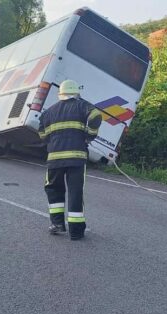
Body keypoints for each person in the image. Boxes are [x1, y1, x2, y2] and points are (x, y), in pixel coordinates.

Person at [37, 80, 102, 240]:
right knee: (75, 192)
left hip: (55, 159)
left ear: (60, 94)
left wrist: (52, 141)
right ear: (76, 93)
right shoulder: (81, 105)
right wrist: (89, 135)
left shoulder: (49, 112)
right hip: (76, 159)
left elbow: (42, 134)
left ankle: (57, 224)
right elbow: (96, 115)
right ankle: (76, 231)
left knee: (53, 189)